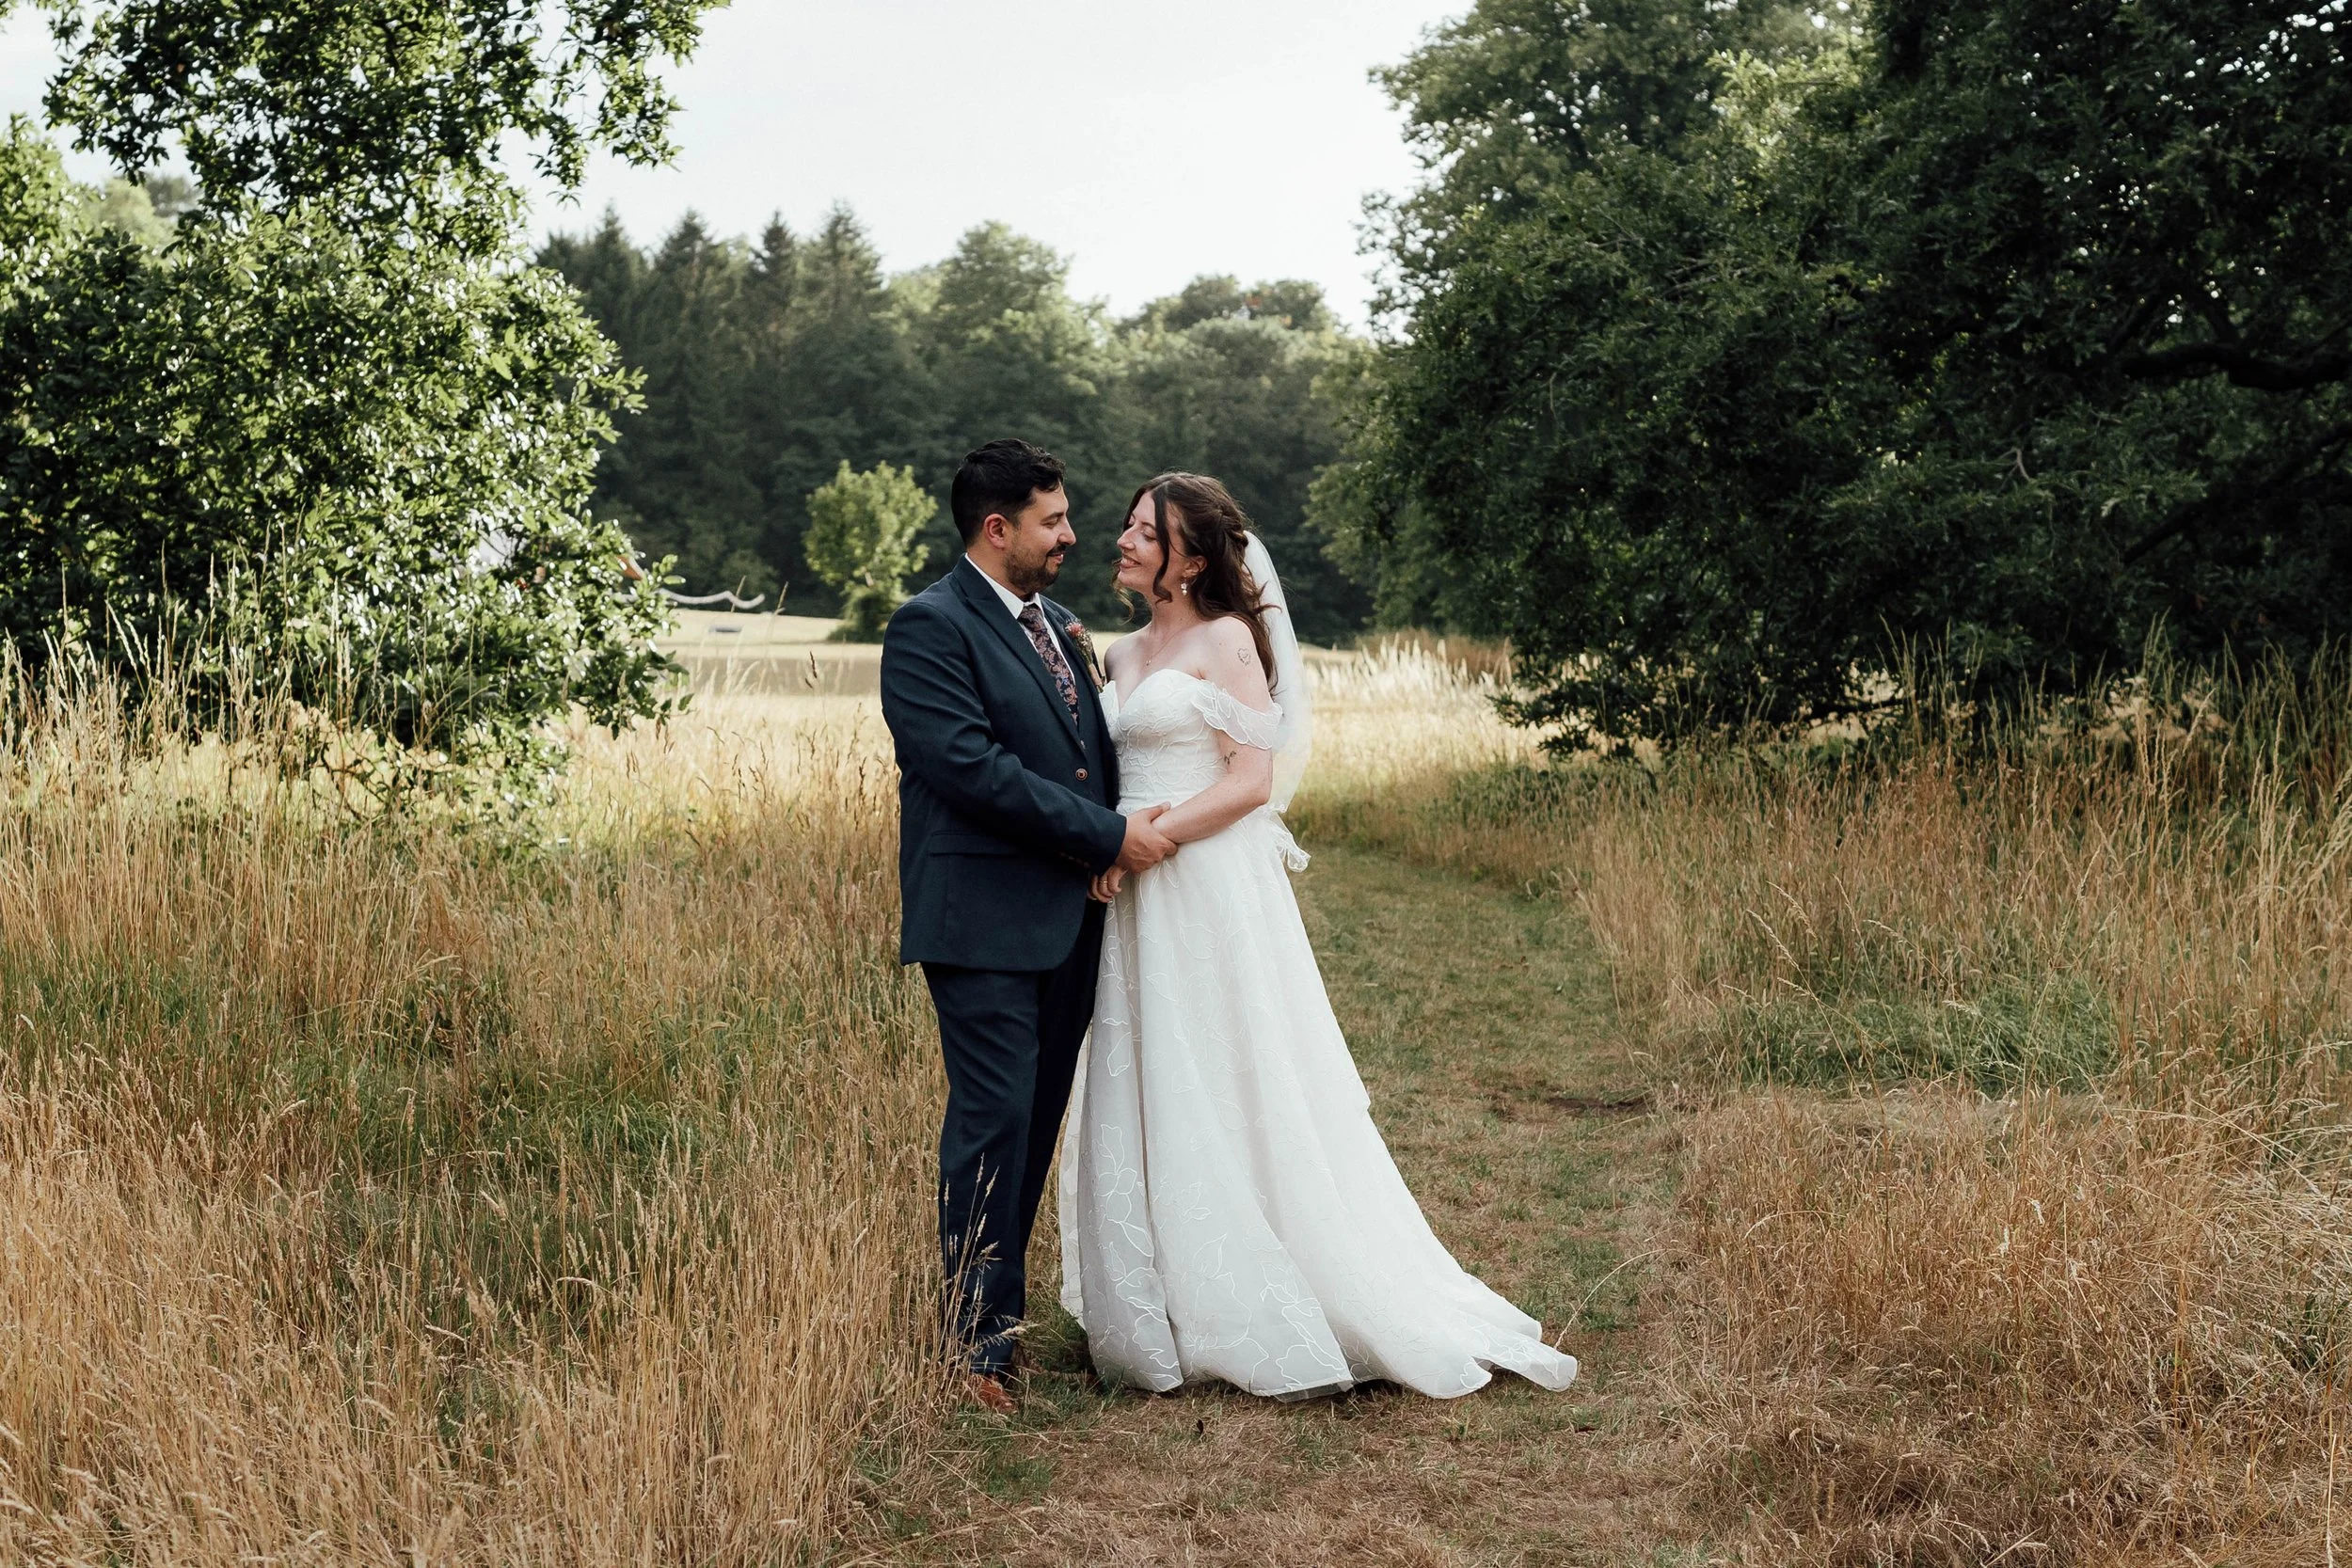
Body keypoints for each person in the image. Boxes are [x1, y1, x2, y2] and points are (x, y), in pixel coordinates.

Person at [1056, 472, 1580, 1401]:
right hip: (1129, 891)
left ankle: (1276, 1293)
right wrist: (1104, 843)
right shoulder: (1121, 648)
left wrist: (1151, 840)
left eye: (1146, 530)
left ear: (1193, 554)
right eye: (1127, 525)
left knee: (1227, 1068)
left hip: (1198, 877)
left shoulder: (1225, 640)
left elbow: (1251, 779)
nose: (1123, 539)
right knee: (1149, 1075)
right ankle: (1166, 1299)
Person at [878, 438, 1178, 1415]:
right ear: (996, 527)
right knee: (991, 1121)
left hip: (1067, 921)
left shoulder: (1057, 623)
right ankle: (969, 1347)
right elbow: (971, 768)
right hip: (978, 921)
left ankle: (998, 1325)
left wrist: (1108, 844)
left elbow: (1080, 755)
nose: (1072, 535)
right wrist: (1103, 834)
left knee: (1035, 1123)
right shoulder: (927, 628)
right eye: (1053, 520)